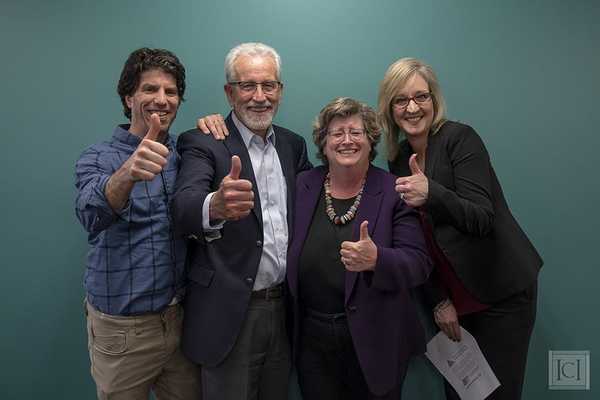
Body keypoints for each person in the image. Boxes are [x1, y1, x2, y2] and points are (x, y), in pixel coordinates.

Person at [379, 57, 542, 400]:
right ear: (390, 108)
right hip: (454, 302)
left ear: (434, 100)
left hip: (502, 294)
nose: (412, 107)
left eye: (421, 96)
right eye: (401, 99)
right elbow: (416, 243)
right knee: (461, 396)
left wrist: (431, 193)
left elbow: (482, 217)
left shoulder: (460, 139)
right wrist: (438, 301)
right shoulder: (398, 161)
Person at [171, 42, 312, 400]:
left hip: (284, 310)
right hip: (228, 313)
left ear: (280, 90)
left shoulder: (293, 146)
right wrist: (214, 205)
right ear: (229, 92)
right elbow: (183, 207)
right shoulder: (203, 141)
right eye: (248, 86)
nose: (259, 96)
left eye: (269, 85)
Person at [74, 48, 202, 399]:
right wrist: (127, 173)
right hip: (123, 330)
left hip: (182, 322)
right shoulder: (98, 156)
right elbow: (90, 214)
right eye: (150, 89)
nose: (161, 99)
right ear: (129, 97)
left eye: (171, 91)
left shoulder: (187, 153)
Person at [286, 97, 432, 399]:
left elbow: (419, 262)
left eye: (356, 132)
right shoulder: (302, 185)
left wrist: (378, 259)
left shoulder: (393, 191)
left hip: (376, 339)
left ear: (370, 141)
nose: (346, 141)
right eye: (337, 133)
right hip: (311, 340)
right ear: (323, 143)